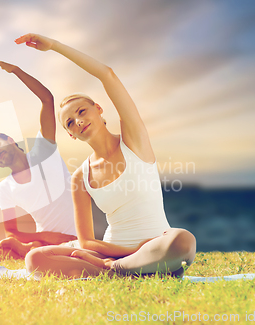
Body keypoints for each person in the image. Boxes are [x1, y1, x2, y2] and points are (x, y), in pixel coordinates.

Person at [16, 34, 196, 278]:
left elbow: (107, 74)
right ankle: (125, 269)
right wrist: (122, 254)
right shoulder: (81, 176)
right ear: (71, 134)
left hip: (156, 247)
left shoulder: (134, 141)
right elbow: (87, 242)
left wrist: (55, 46)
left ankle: (115, 270)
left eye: (82, 111)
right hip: (110, 251)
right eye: (70, 122)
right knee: (35, 258)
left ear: (99, 110)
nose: (78, 121)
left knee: (183, 241)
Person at [0, 58, 77, 260]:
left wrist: (16, 70)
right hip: (47, 240)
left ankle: (26, 250)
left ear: (10, 140)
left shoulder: (44, 150)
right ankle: (29, 249)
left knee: (34, 253)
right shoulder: (5, 188)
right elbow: (11, 232)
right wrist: (50, 236)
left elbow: (47, 100)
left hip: (76, 238)